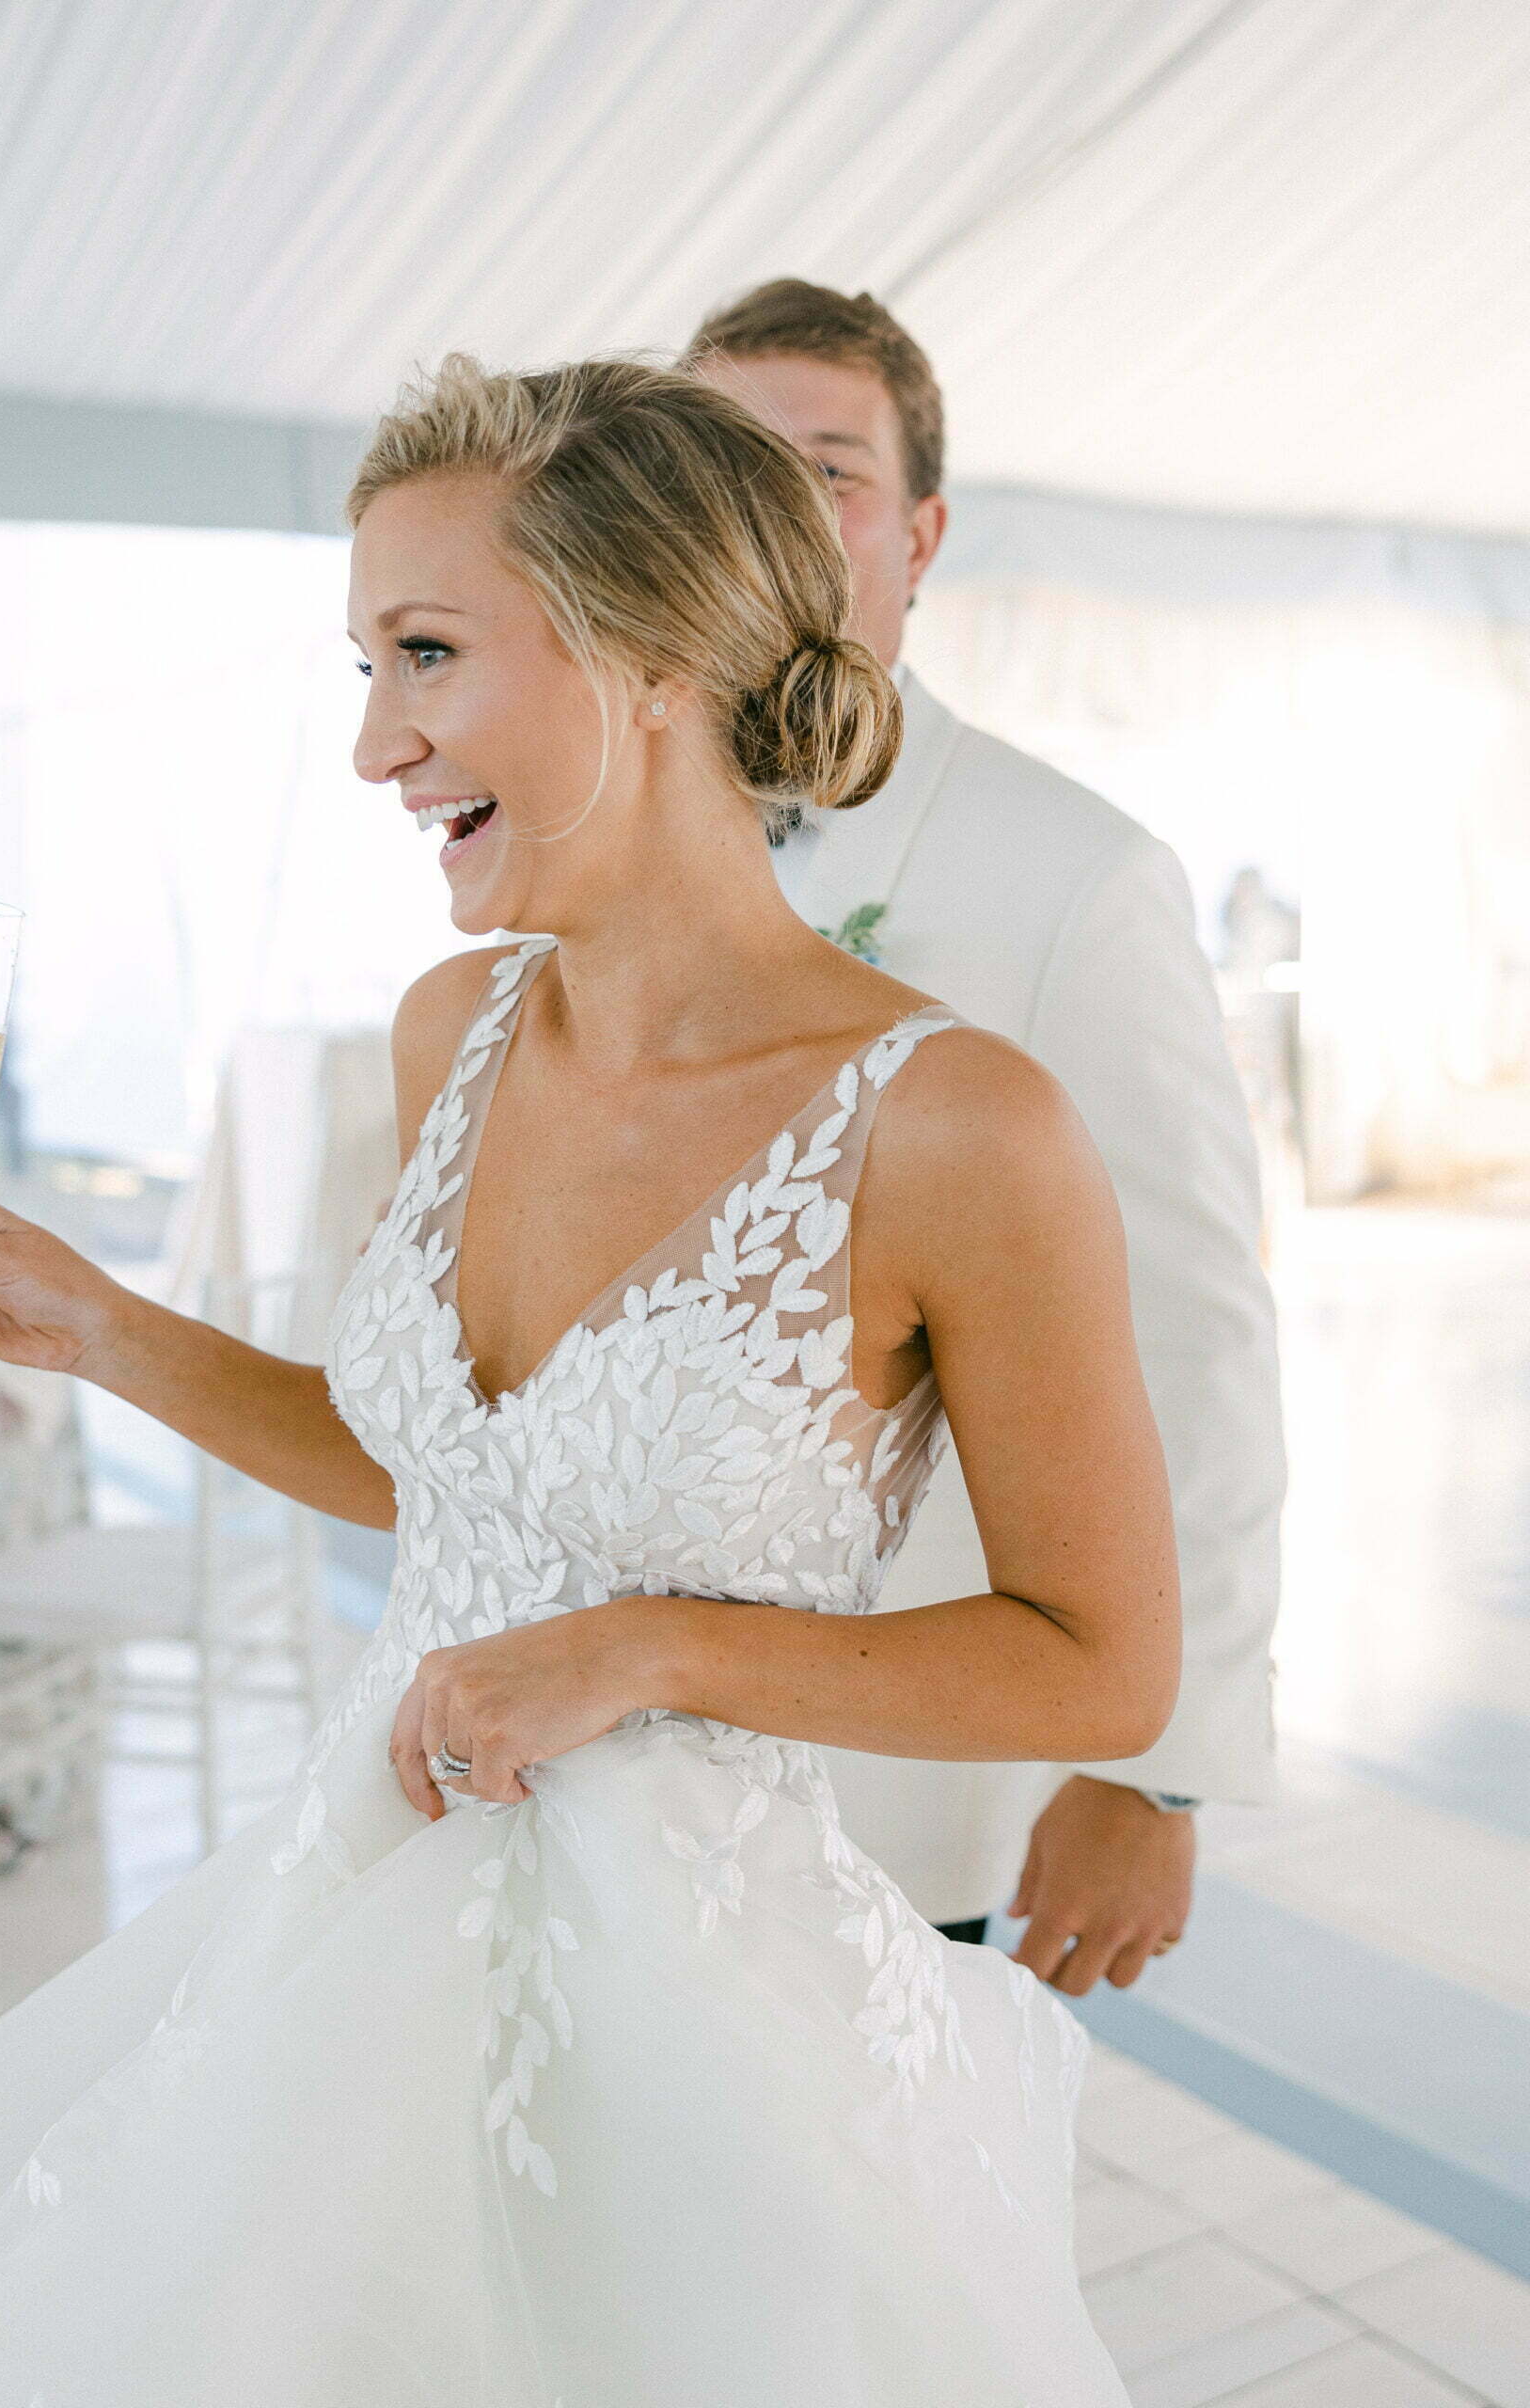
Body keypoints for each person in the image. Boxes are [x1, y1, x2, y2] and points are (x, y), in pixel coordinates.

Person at [0, 357, 1176, 2405]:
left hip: (704, 2044)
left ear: (653, 652)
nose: (372, 741)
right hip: (353, 1937)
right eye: (363, 661)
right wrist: (101, 1327)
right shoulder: (448, 1033)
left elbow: (1098, 1659)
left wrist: (640, 1650)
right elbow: (450, 1476)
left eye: (425, 653)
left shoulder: (956, 1126)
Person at [683, 280, 1285, 1987]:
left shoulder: (1074, 879)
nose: (780, 517)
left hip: (904, 1780)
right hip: (609, 1749)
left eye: (831, 470)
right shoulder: (597, 844)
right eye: (727, 468)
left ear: (921, 535)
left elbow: (1199, 1340)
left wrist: (1152, 1767)